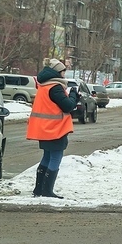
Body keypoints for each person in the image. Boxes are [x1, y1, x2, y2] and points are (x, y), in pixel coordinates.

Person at [26, 58, 79, 198]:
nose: (64, 75)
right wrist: (74, 95)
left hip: (45, 128)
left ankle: (39, 189)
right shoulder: (55, 87)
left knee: (47, 156)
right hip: (55, 129)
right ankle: (47, 190)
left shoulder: (44, 86)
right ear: (57, 72)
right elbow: (68, 105)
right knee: (56, 156)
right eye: (63, 71)